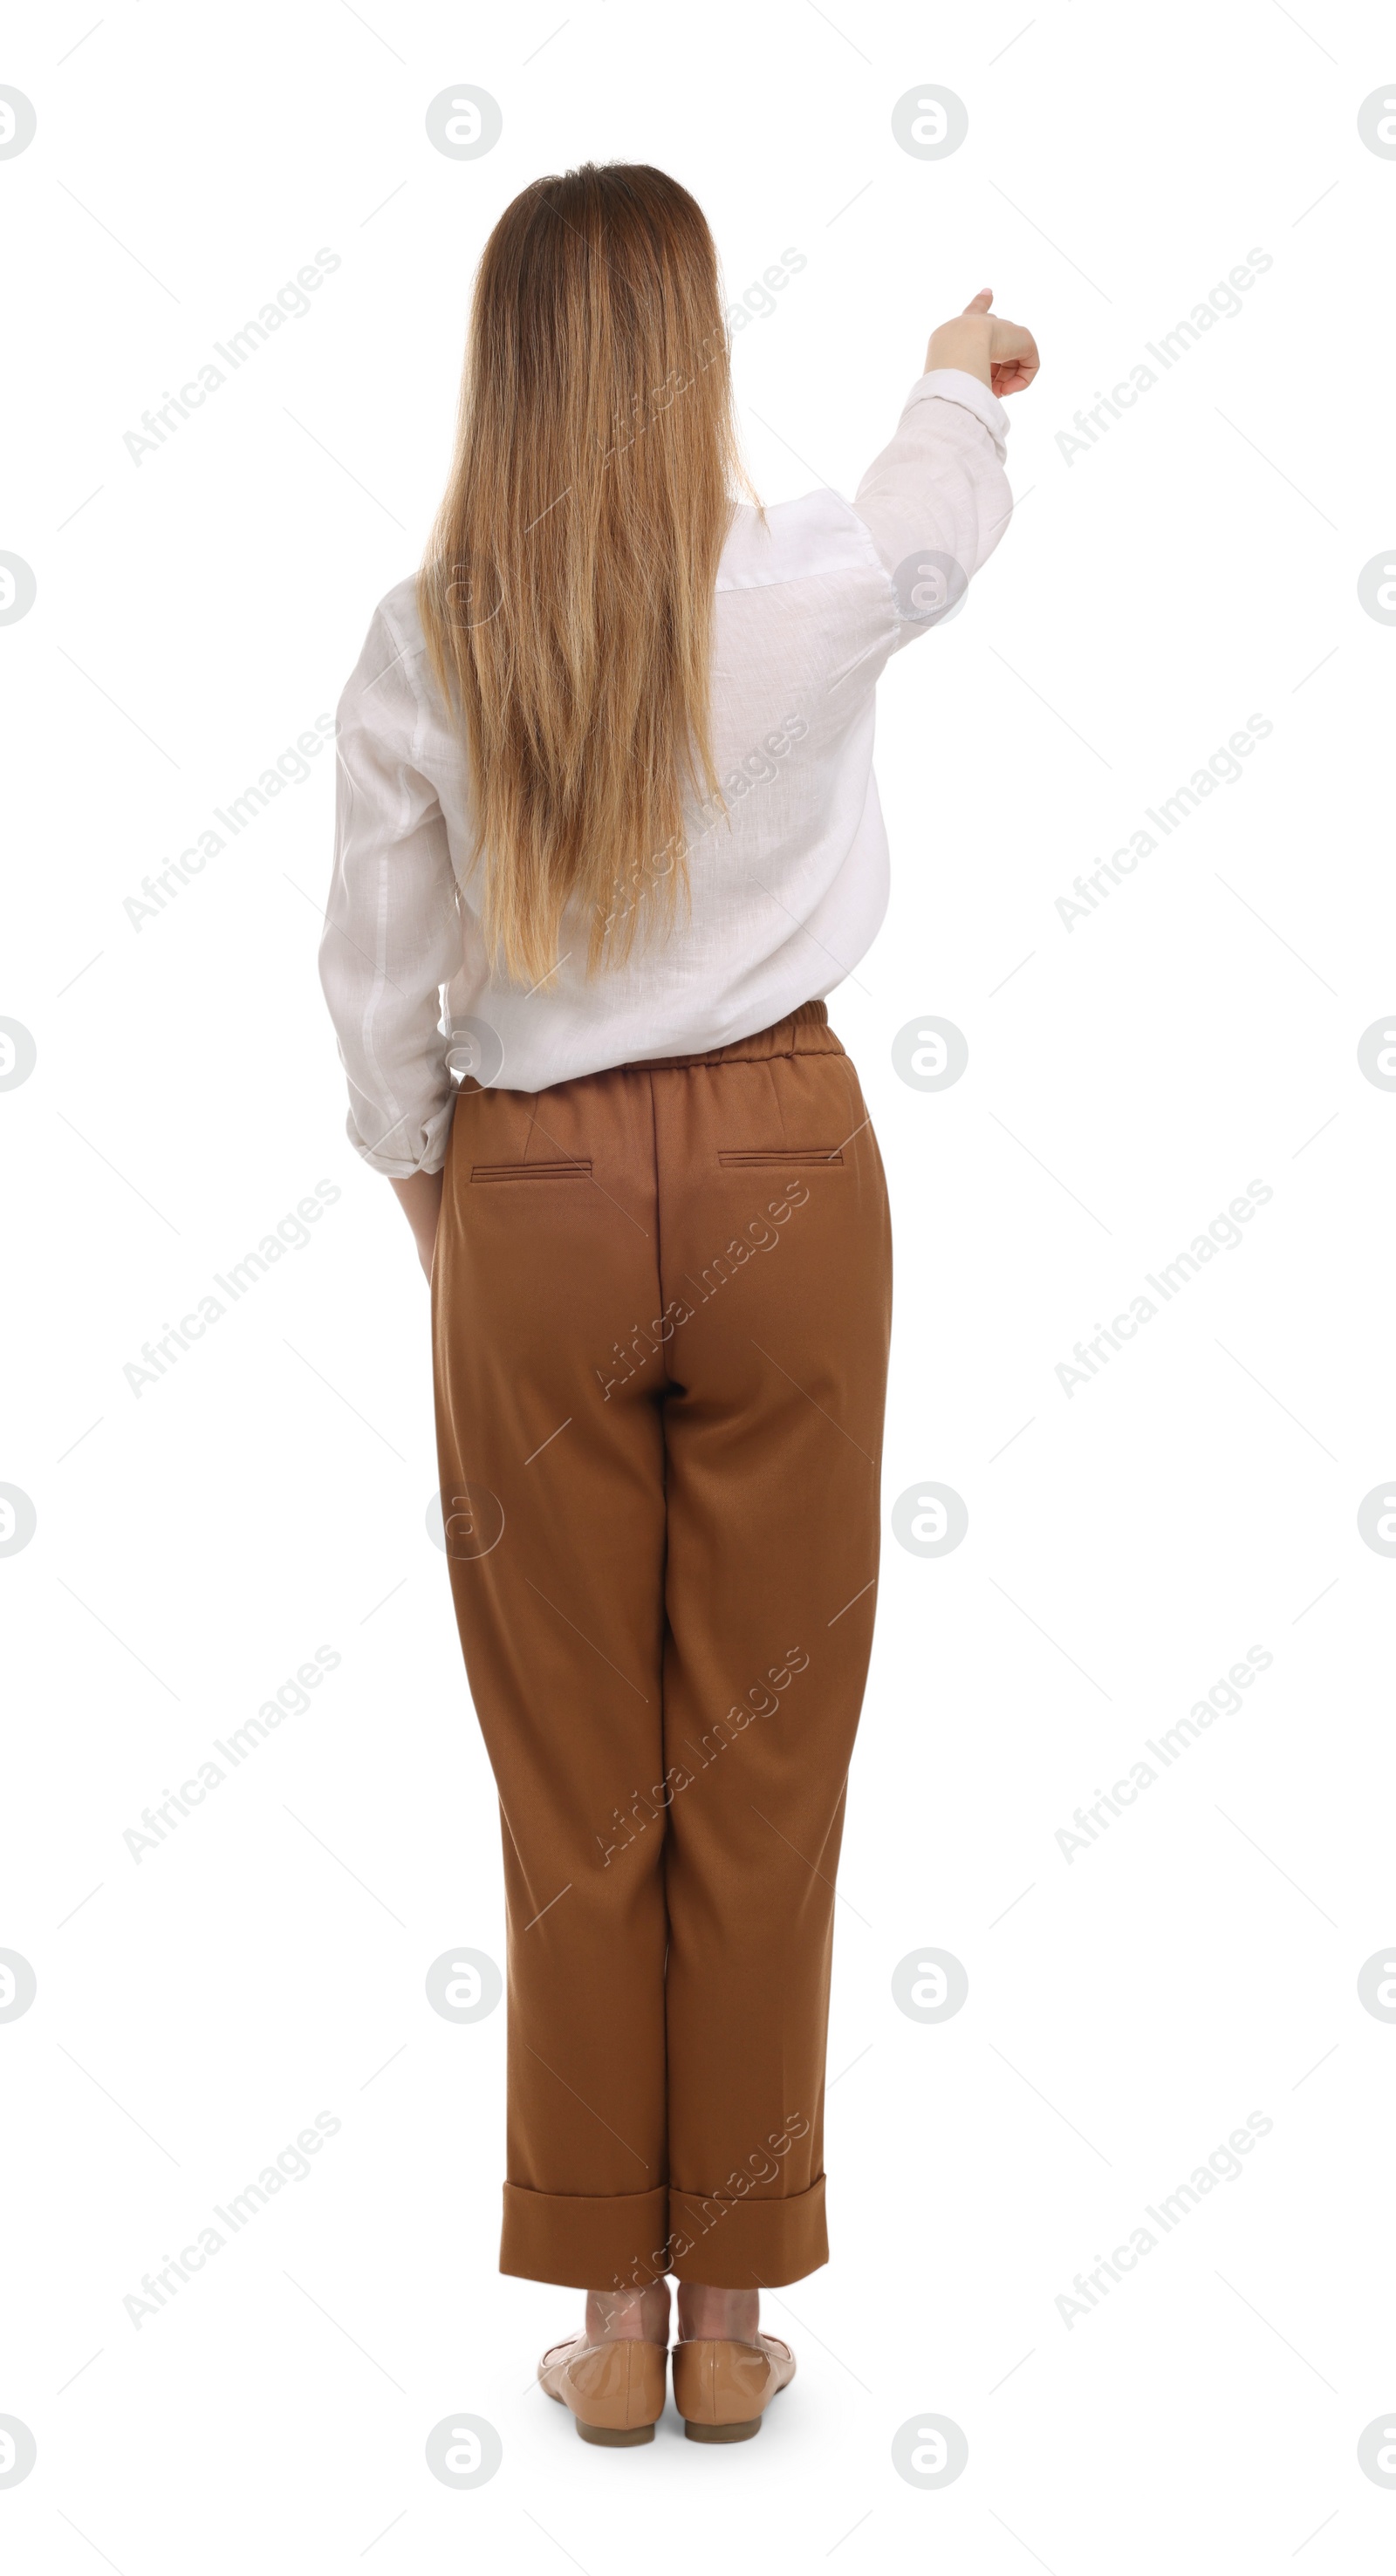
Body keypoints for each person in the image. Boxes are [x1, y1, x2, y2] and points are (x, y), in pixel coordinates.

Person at [319, 159, 1037, 2448]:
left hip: (525, 1191)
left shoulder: (437, 632)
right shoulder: (818, 579)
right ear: (696, 357)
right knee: (767, 1762)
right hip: (790, 1172)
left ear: (507, 363)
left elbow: (370, 982)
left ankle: (606, 2330)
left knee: (574, 1782)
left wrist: (434, 1181)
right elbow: (948, 512)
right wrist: (960, 366)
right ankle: (733, 2314)